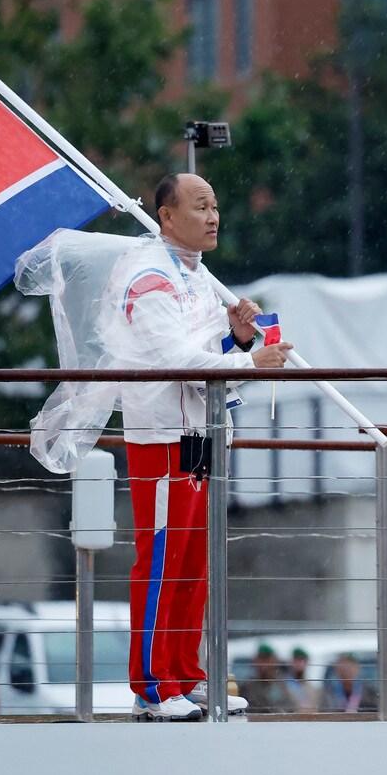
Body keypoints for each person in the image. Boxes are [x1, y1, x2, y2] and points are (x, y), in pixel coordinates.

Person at [116, 173, 292, 721]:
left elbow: (202, 352)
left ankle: (184, 675)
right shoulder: (149, 277)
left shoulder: (195, 276)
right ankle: (152, 684)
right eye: (200, 206)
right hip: (164, 436)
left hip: (200, 434)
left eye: (216, 205)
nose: (213, 216)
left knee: (194, 562)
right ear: (166, 215)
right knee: (163, 557)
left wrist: (237, 338)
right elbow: (178, 363)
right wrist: (249, 361)